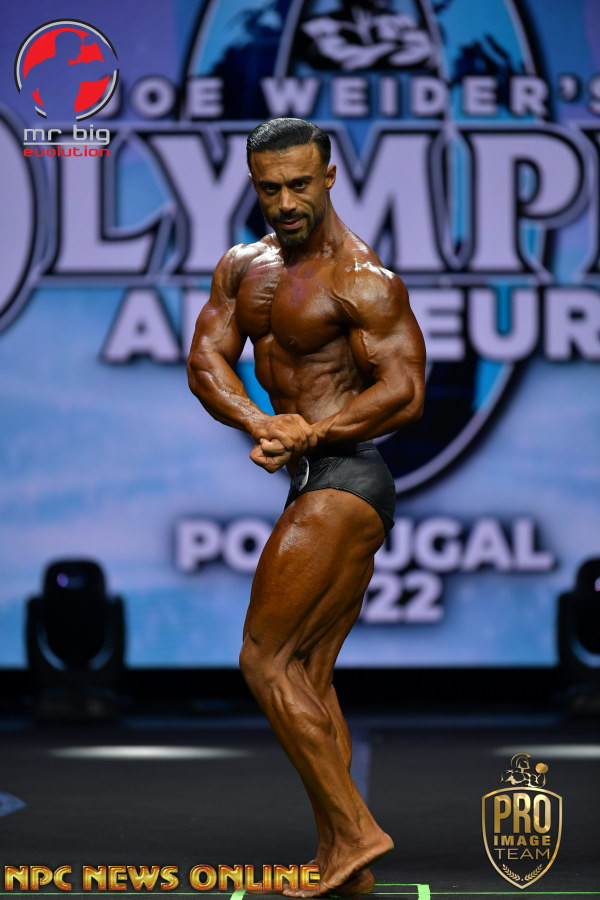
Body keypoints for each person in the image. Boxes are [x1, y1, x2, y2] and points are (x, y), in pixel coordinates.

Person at [187, 117, 425, 897]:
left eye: (298, 184)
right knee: (310, 676)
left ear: (329, 176)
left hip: (347, 478)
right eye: (269, 188)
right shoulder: (242, 267)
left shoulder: (363, 279)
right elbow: (206, 361)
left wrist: (312, 432)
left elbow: (405, 391)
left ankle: (356, 832)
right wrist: (261, 423)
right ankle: (341, 866)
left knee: (265, 659)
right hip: (312, 474)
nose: (285, 202)